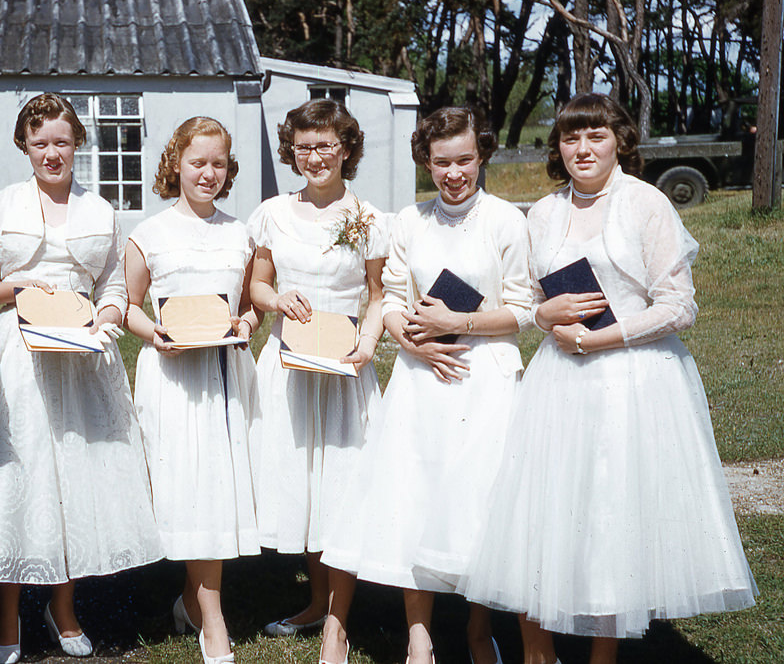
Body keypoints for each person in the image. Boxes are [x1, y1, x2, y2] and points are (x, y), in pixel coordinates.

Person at [460, 93, 758, 664]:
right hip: (560, 380)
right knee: (543, 512)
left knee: (612, 517)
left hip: (633, 382)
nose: (583, 148)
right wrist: (545, 317)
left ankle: (602, 654)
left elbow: (678, 306)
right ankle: (537, 650)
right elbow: (536, 296)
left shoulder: (646, 204)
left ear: (619, 140)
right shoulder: (544, 212)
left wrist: (599, 339)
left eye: (595, 136)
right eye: (571, 138)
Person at [321, 107, 531, 664]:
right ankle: (420, 634)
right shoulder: (409, 222)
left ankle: (477, 625)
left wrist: (456, 324)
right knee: (414, 498)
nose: (454, 173)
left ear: (481, 156)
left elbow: (523, 311)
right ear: (426, 163)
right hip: (421, 374)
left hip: (484, 373)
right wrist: (413, 343)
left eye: (465, 160)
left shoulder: (507, 220)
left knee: (477, 502)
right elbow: (390, 299)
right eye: (442, 163)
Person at [0, 93, 163, 663]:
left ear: (78, 143)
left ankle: (63, 608)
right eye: (39, 143)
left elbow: (112, 284)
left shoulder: (100, 210)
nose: (51, 153)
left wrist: (106, 321)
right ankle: (6, 616)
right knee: (23, 475)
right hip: (21, 354)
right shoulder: (0, 207)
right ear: (23, 145)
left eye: (61, 142)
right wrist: (20, 288)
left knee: (75, 475)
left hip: (83, 353)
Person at [247, 99, 387, 664]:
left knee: (343, 485)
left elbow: (379, 296)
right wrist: (278, 297)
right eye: (303, 147)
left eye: (325, 145)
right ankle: (314, 602)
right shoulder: (272, 213)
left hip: (345, 363)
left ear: (347, 148)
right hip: (289, 363)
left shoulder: (369, 218)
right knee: (303, 481)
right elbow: (257, 286)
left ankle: (336, 622)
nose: (314, 157)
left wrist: (367, 345)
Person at [124, 116, 262, 664]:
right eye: (197, 162)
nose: (208, 173)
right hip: (175, 379)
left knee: (217, 494)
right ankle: (214, 623)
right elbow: (130, 304)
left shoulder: (240, 232)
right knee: (190, 493)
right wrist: (153, 334)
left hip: (226, 378)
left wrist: (247, 327)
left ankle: (192, 601)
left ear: (229, 170)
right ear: (175, 163)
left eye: (218, 164)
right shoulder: (148, 234)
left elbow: (249, 304)